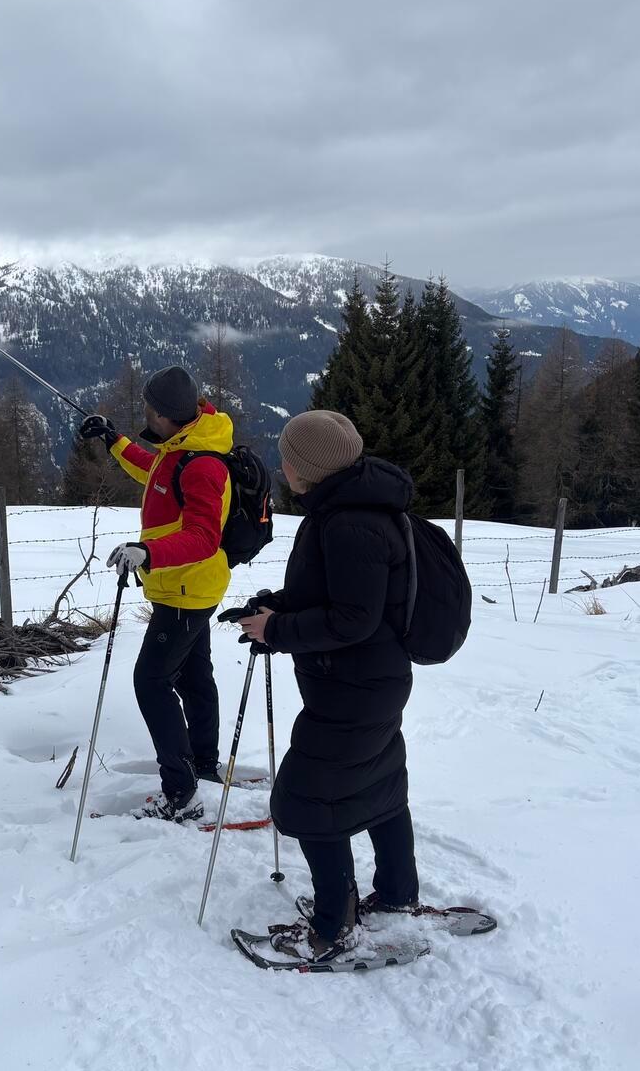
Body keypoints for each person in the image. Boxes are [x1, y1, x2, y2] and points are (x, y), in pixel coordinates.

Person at [233, 409, 418, 962]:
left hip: (353, 687)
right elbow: (338, 596)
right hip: (370, 682)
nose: (281, 465)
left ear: (309, 467)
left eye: (288, 457)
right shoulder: (348, 510)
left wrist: (280, 629)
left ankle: (335, 923)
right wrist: (275, 609)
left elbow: (353, 619)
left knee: (307, 799)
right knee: (378, 782)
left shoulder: (349, 522)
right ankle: (398, 894)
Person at [79, 365, 234, 822]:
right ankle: (203, 764)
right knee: (192, 676)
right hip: (186, 586)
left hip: (185, 590)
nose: (144, 412)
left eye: (150, 408)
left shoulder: (203, 464)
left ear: (167, 415)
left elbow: (204, 536)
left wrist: (148, 551)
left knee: (151, 682)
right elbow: (156, 473)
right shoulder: (181, 448)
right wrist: (114, 440)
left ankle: (182, 792)